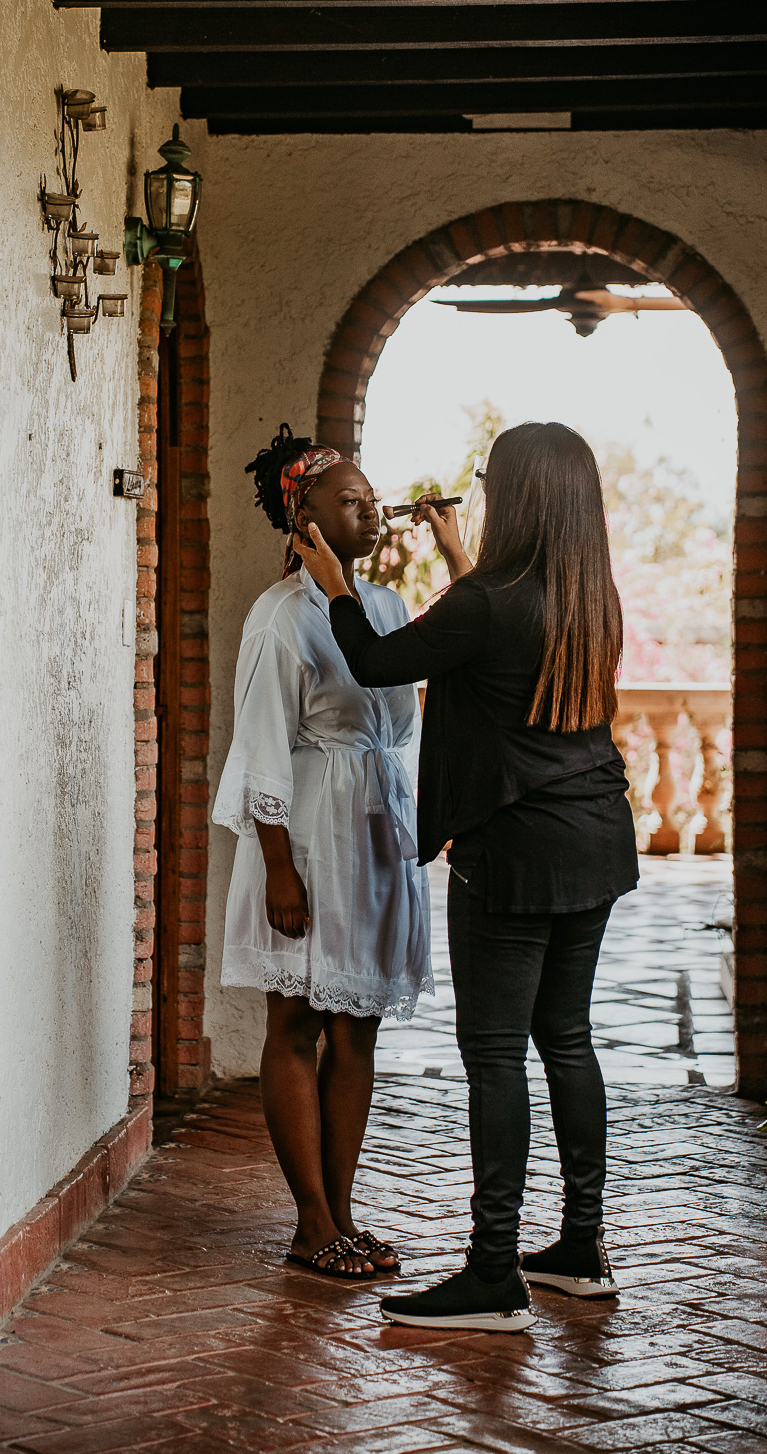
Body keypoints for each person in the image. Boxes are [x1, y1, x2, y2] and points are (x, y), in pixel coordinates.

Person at [295, 421, 637, 1332]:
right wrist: (453, 553)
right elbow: (496, 637)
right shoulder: (588, 594)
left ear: (516, 496)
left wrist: (337, 587)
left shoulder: (487, 601)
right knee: (566, 1039)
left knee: (494, 1056)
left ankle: (491, 1273)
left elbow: (375, 662)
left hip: (515, 853)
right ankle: (581, 1247)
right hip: (598, 838)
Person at [213, 424, 433, 1279]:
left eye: (373, 502)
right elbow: (261, 744)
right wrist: (276, 865)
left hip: (373, 833)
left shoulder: (378, 606)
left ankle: (344, 1211)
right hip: (305, 836)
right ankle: (310, 1221)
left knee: (359, 1026)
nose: (372, 514)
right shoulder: (277, 620)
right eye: (351, 502)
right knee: (296, 1021)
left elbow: (400, 721)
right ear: (300, 513)